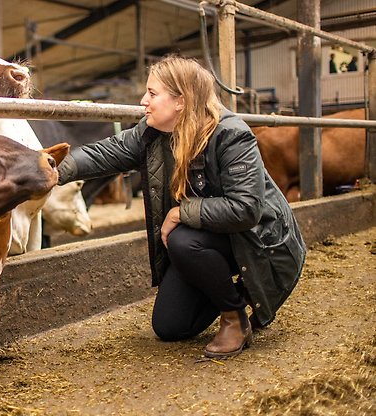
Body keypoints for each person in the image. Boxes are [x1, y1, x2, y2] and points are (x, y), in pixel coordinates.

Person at [57, 55, 306, 359]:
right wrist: (54, 168)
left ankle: (234, 316)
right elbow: (105, 153)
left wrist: (179, 213)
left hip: (258, 241)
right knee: (171, 327)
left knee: (182, 240)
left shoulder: (230, 134)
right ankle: (238, 289)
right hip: (212, 236)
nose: (143, 100)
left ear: (181, 101)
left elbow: (246, 209)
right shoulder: (152, 133)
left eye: (152, 93)